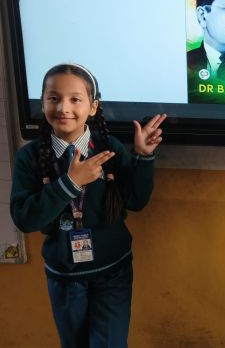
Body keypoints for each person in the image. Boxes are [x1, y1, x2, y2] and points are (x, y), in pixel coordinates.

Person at [10, 63, 166, 348]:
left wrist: (143, 156)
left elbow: (136, 201)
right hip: (64, 276)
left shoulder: (109, 149)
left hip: (112, 271)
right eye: (53, 98)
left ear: (93, 107)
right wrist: (70, 183)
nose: (63, 108)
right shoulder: (29, 157)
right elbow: (24, 219)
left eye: (75, 99)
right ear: (42, 103)